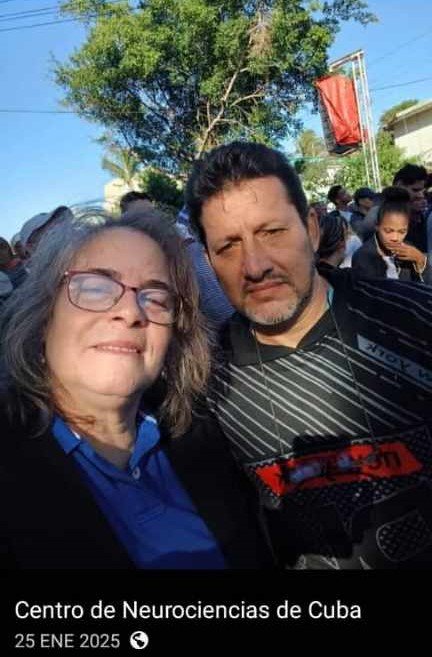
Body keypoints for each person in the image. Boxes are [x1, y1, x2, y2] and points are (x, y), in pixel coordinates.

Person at [185, 140, 432, 569]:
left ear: (312, 229)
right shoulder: (204, 385)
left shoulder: (416, 318)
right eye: (228, 246)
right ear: (208, 259)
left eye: (272, 232)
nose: (254, 265)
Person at [0, 209, 271, 569]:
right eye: (95, 287)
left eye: (155, 298)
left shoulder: (205, 435)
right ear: (44, 318)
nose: (131, 312)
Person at [352, 187, 431, 283]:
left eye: (402, 232)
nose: (395, 238)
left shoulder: (409, 250)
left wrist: (421, 260)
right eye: (388, 231)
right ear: (377, 226)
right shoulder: (364, 256)